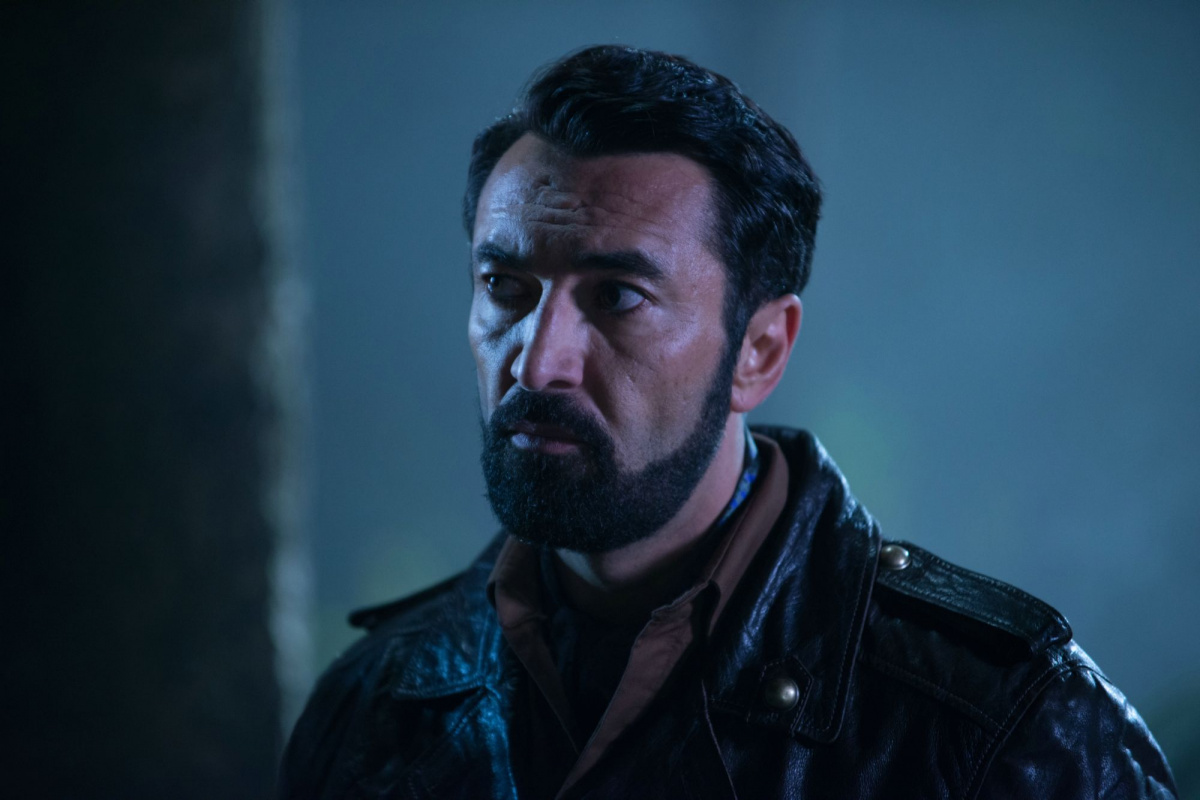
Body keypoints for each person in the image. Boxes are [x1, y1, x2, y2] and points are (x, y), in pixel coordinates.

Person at [279, 45, 1177, 799]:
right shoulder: (380, 703)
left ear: (759, 350)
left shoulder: (1005, 729)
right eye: (505, 287)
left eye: (617, 296)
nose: (537, 360)